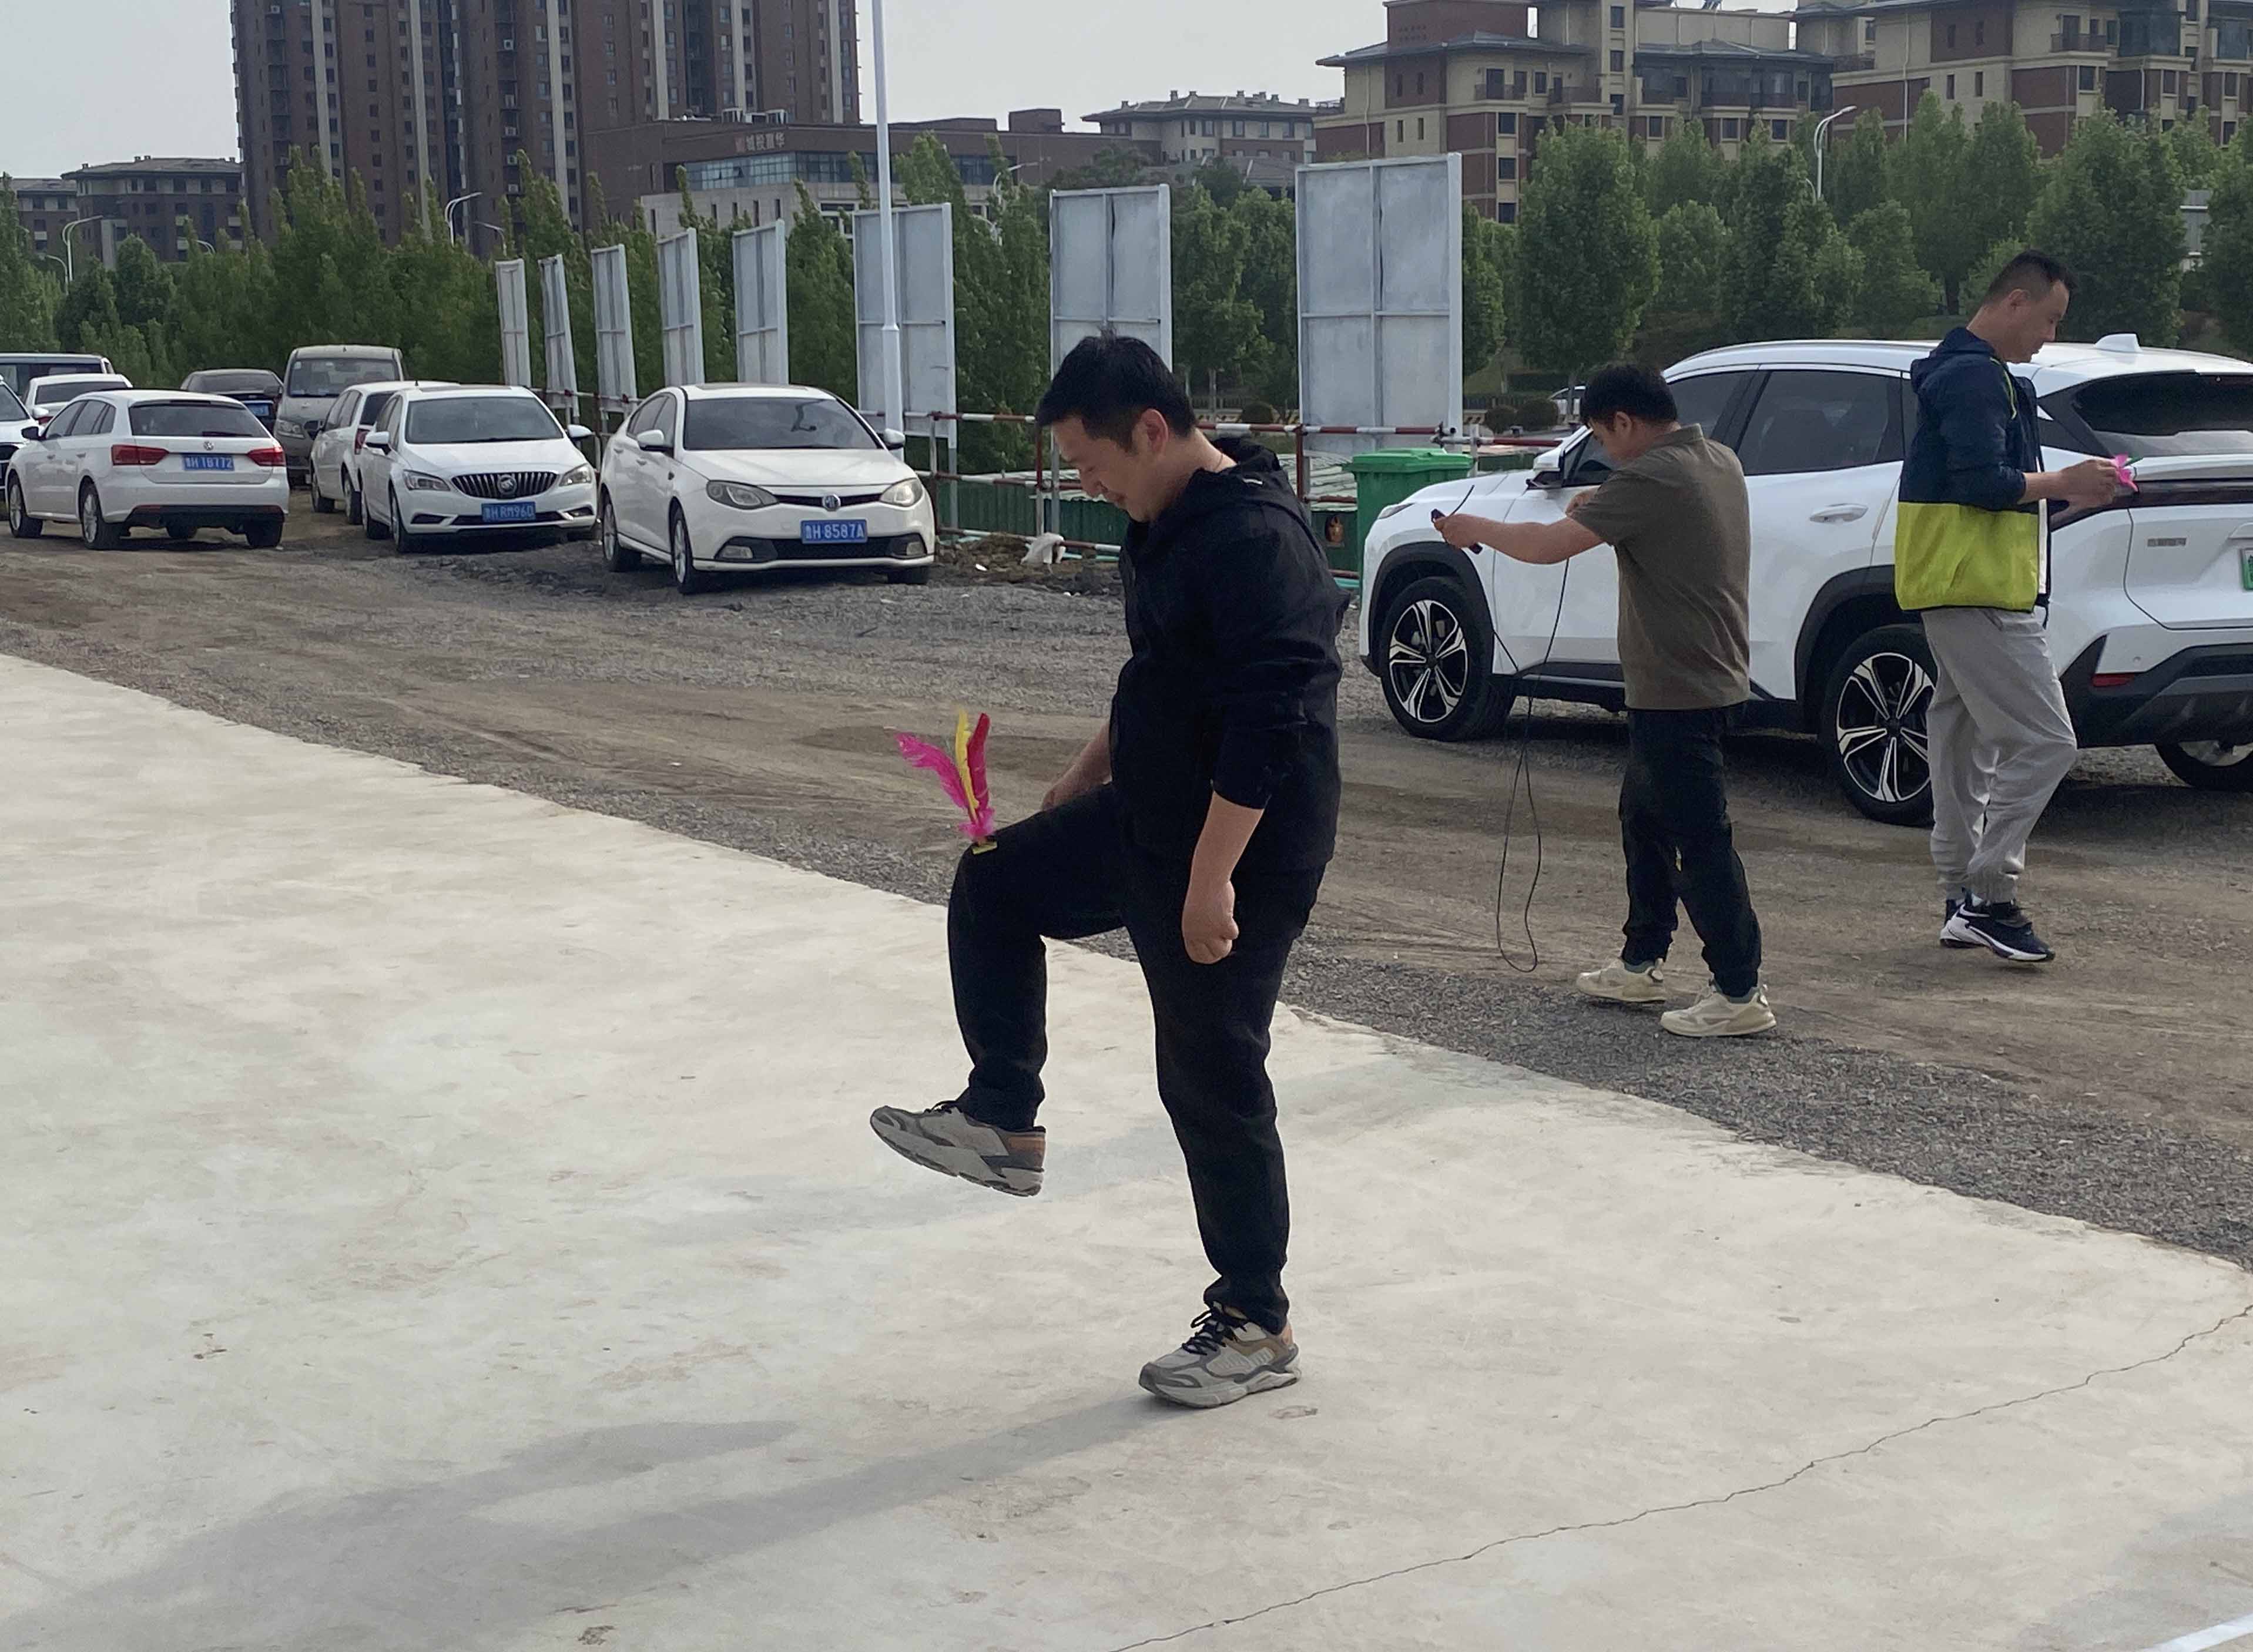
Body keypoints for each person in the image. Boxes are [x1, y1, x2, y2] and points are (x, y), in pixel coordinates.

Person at [869, 334, 1346, 1409]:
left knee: (1210, 1075)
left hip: (1242, 848)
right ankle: (1002, 1119)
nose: (1089, 487)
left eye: (1092, 465)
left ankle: (1255, 1323)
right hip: (1151, 817)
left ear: (1152, 430)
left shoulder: (1257, 540)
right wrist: (1089, 771)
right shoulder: (1166, 517)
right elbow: (1159, 674)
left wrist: (1211, 882)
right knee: (994, 880)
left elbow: (1270, 724)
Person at [1433, 361, 1772, 1038]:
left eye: (1602, 436)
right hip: (1693, 679)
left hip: (1680, 688)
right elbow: (1649, 508)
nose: (1605, 451)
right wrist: (1601, 499)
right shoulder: (1716, 459)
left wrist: (1475, 527)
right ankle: (1642, 959)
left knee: (1700, 840)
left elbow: (1546, 546)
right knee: (1644, 821)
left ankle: (1740, 990)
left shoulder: (1652, 477)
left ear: (1624, 421)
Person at [1899, 251, 2121, 965]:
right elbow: (1984, 484)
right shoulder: (1975, 377)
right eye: (2050, 320)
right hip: (1980, 589)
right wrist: (2067, 481)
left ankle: (1961, 895)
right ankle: (1989, 898)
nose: (2049, 337)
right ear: (2015, 302)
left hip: (1958, 583)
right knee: (2047, 741)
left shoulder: (1960, 371)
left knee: (1961, 744)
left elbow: (1986, 487)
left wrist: (2068, 491)